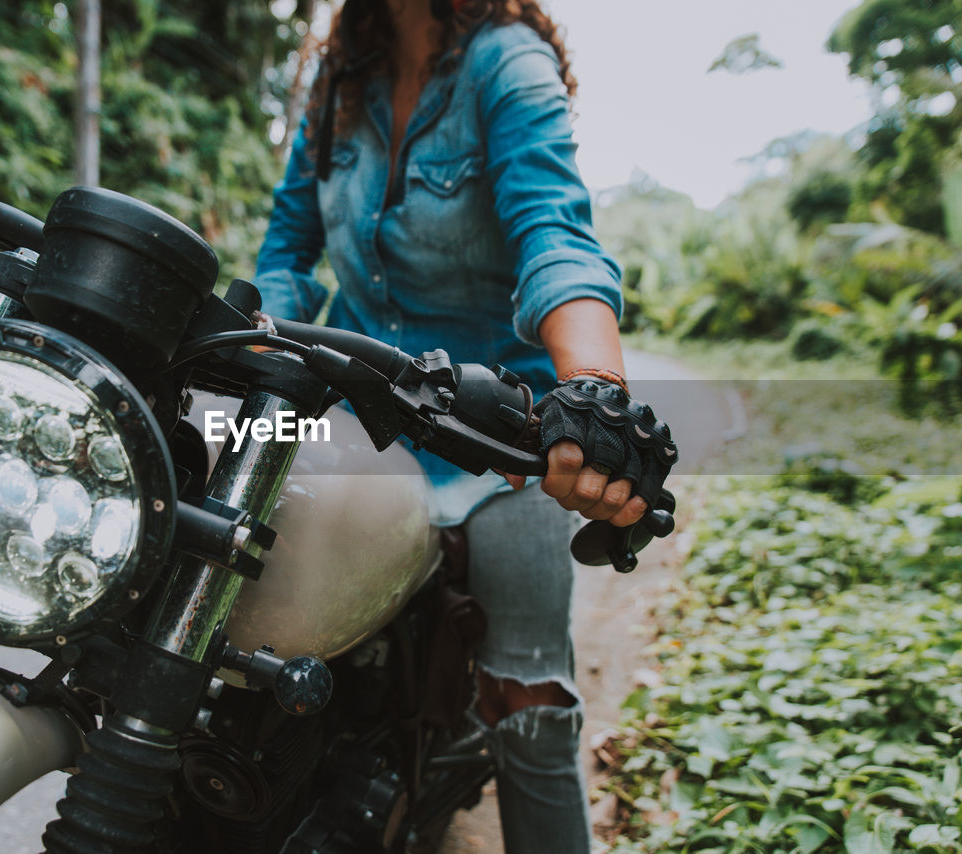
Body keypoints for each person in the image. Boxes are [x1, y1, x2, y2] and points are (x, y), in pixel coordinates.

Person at [252, 0, 676, 850]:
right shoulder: (340, 80)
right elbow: (285, 256)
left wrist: (592, 395)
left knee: (528, 695)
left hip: (495, 440)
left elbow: (553, 231)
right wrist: (250, 340)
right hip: (350, 416)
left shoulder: (505, 60)